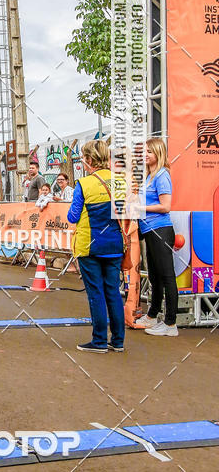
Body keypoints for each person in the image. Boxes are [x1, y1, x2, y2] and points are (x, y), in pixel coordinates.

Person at [67, 140, 125, 353]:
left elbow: (72, 217)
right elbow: (128, 214)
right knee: (113, 292)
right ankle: (118, 341)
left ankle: (99, 340)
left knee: (96, 293)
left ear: (90, 160)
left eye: (84, 157)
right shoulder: (120, 182)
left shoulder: (84, 184)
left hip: (89, 245)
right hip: (115, 244)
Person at [135, 138, 178, 337]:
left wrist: (140, 208)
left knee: (167, 276)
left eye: (148, 152)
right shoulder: (149, 176)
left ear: (157, 154)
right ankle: (152, 315)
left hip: (160, 230)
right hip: (149, 231)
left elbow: (166, 206)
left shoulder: (162, 176)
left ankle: (170, 323)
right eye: (144, 152)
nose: (145, 155)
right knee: (154, 276)